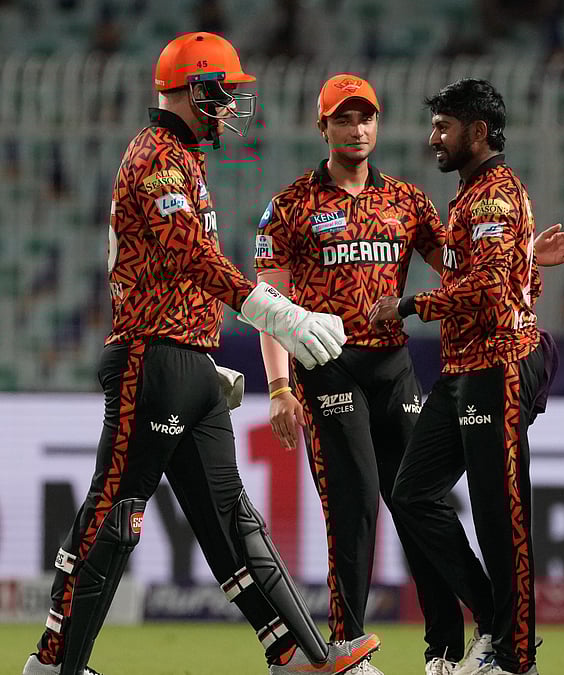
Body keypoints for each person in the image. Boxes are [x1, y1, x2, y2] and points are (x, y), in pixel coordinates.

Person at [23, 33, 378, 675]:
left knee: (232, 521)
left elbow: (179, 272)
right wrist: (280, 313)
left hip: (183, 362)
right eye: (223, 92)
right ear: (195, 90)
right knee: (116, 511)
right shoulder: (157, 154)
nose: (230, 106)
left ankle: (304, 657)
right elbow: (190, 253)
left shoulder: (184, 158)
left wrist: (198, 353)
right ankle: (52, 665)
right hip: (149, 359)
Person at [256, 74, 564, 675]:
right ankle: (350, 646)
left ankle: (447, 647)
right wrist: (279, 385)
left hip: (399, 364)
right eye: (343, 119)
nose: (356, 129)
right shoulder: (290, 205)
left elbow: (465, 268)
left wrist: (521, 254)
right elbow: (269, 304)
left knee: (415, 500)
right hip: (327, 366)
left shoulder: (409, 201)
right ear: (322, 126)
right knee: (357, 502)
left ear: (376, 125)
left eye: (366, 118)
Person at [371, 78, 555, 675]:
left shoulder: (494, 198)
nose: (434, 139)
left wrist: (410, 305)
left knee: (502, 515)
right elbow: (516, 279)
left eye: (444, 127)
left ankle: (514, 654)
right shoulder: (472, 196)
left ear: (478, 132)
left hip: (497, 368)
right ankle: (498, 620)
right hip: (464, 372)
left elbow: (493, 286)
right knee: (411, 492)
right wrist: (530, 261)